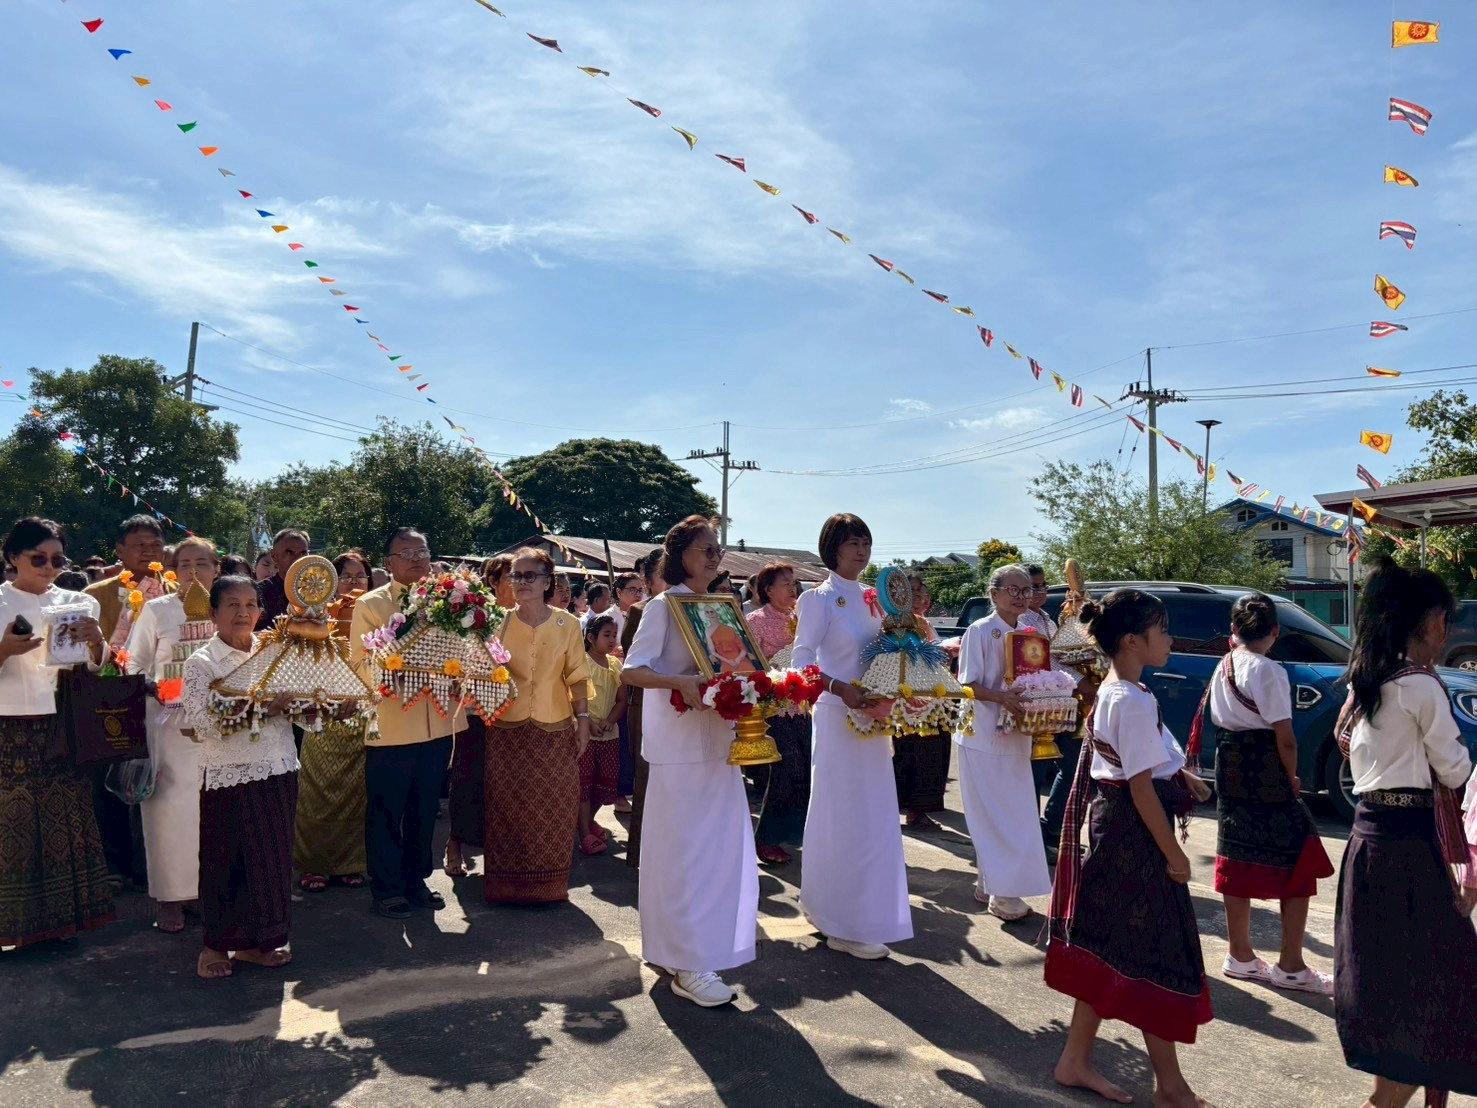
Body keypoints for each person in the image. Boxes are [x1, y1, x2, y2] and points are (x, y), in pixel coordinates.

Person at [1044, 588, 1211, 1107]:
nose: (1170, 639)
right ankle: (1171, 1087)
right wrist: (1174, 854)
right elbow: (1140, 789)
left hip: (1115, 830)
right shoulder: (1131, 699)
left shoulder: (1119, 691)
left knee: (1112, 950)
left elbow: (1131, 762)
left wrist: (1180, 774)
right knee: (1153, 956)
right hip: (1133, 838)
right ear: (1133, 640)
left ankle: (1075, 1061)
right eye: (1162, 630)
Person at [1336, 559, 1477, 1107]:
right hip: (1410, 849)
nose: (1446, 632)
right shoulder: (1420, 685)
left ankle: (1386, 1092)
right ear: (1428, 620)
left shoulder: (1367, 680)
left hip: (1368, 841)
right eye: (1444, 619)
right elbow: (1455, 770)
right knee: (1439, 988)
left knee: (1389, 987)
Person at [623, 516, 758, 1006]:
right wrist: (678, 682)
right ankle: (686, 963)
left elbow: (739, 665)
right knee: (681, 853)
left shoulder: (721, 607)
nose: (715, 557)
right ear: (681, 555)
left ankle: (686, 950)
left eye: (718, 549)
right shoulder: (663, 606)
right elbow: (632, 671)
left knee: (717, 852)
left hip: (720, 741)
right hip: (677, 747)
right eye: (706, 549)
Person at [1200, 593, 1333, 994]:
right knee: (1300, 856)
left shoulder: (1224, 664)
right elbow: (1285, 737)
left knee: (1235, 851)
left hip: (1229, 764)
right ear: (1274, 631)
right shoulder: (1269, 669)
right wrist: (1291, 776)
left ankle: (1239, 954)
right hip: (1264, 767)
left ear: (1234, 630)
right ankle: (1290, 964)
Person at [795, 513, 911, 960]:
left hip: (875, 716)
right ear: (832, 547)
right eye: (852, 543)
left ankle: (865, 914)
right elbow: (801, 662)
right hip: (836, 716)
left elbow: (891, 654)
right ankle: (838, 920)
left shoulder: (875, 599)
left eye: (866, 542)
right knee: (841, 813)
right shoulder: (818, 599)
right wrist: (840, 688)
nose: (861, 551)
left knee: (874, 817)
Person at [0, 518, 114, 948]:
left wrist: (98, 641)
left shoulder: (78, 602)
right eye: (38, 559)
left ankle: (61, 922)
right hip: (8, 724)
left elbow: (96, 666)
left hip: (63, 722)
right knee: (12, 823)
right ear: (13, 558)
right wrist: (4, 650)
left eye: (57, 560)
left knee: (62, 820)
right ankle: (12, 929)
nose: (49, 567)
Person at [182, 576, 301, 979]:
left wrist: (324, 705)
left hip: (278, 767)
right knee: (226, 861)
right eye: (232, 604)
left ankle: (258, 944)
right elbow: (204, 723)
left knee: (271, 862)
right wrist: (262, 710)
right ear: (213, 613)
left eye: (250, 604)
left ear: (261, 611)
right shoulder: (201, 663)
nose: (242, 612)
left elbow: (299, 703)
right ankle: (215, 946)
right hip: (227, 775)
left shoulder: (273, 651)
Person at [350, 528, 459, 920]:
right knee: (386, 810)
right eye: (406, 553)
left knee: (425, 809)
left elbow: (465, 648)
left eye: (421, 552)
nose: (416, 559)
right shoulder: (372, 604)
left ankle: (416, 880)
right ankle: (386, 888)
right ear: (389, 562)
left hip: (438, 723)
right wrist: (394, 668)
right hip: (392, 725)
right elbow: (359, 663)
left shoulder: (451, 600)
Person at [124, 536, 220, 933]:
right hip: (168, 728)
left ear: (217, 569)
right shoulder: (157, 609)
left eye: (202, 564)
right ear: (173, 570)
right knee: (168, 813)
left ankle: (204, 892)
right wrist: (154, 688)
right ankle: (169, 899)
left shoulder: (227, 606)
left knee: (212, 813)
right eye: (185, 564)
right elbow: (133, 663)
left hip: (219, 727)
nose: (193, 572)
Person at [483, 547, 590, 903]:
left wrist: (583, 720)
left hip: (555, 727)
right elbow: (481, 671)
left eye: (530, 576)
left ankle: (550, 886)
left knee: (555, 804)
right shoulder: (496, 623)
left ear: (548, 582)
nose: (521, 582)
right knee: (506, 805)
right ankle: (505, 886)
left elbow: (577, 676)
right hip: (505, 727)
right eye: (516, 575)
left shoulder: (567, 624)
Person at [954, 564, 1054, 921]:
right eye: (1013, 590)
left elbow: (1038, 679)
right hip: (982, 734)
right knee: (994, 814)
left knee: (1015, 813)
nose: (1021, 596)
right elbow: (967, 684)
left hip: (1018, 735)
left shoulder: (1030, 634)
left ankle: (990, 884)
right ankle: (1004, 894)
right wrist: (1001, 698)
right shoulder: (980, 630)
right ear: (994, 594)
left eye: (1026, 590)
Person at [293, 551, 373, 892]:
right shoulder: (315, 617)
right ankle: (315, 865)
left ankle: (350, 865)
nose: (354, 582)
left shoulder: (377, 617)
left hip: (364, 715)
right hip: (322, 715)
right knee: (317, 794)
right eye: (346, 576)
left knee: (357, 795)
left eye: (360, 576)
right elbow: (299, 664)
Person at [747, 561, 810, 865]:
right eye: (785, 583)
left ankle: (793, 833)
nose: (792, 588)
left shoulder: (802, 618)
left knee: (805, 771)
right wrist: (774, 667)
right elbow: (748, 663)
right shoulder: (756, 620)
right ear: (768, 589)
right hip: (773, 707)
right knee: (787, 769)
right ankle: (766, 838)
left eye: (793, 582)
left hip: (803, 706)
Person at [893, 573, 952, 834]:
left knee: (931, 754)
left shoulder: (923, 621)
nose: (917, 595)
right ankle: (909, 810)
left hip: (933, 696)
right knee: (909, 755)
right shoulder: (892, 623)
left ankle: (920, 810)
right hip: (907, 699)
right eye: (911, 590)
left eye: (920, 590)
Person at [621, 550, 666, 859]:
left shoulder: (690, 606)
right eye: (663, 574)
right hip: (645, 701)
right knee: (646, 777)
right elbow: (632, 657)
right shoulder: (641, 610)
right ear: (648, 580)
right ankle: (640, 852)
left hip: (680, 705)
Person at [578, 614, 627, 856]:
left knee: (604, 784)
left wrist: (610, 720)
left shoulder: (615, 664)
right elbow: (574, 698)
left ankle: (588, 822)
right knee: (583, 785)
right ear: (590, 637)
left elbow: (622, 699)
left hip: (609, 735)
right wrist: (587, 723)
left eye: (614, 635)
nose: (612, 640)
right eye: (606, 635)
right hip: (585, 735)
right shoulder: (582, 663)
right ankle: (584, 833)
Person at [84, 515, 169, 648]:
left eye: (156, 545)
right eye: (140, 545)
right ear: (120, 551)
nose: (149, 552)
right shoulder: (95, 596)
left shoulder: (179, 593)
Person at [256, 529, 309, 630]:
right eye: (289, 552)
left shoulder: (316, 592)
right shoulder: (259, 592)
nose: (297, 559)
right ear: (274, 556)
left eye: (303, 553)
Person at [611, 573, 643, 641]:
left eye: (640, 590)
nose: (638, 595)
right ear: (619, 592)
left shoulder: (645, 615)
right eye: (632, 590)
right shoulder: (608, 617)